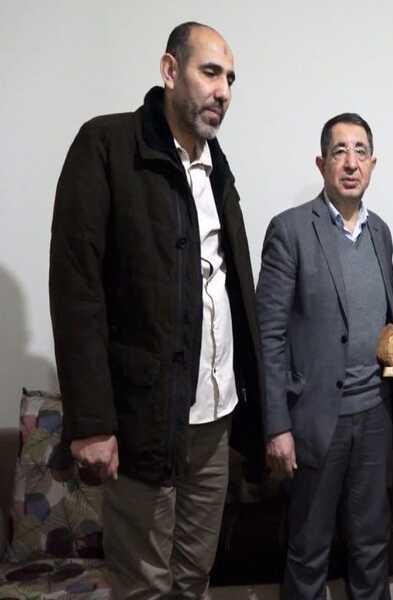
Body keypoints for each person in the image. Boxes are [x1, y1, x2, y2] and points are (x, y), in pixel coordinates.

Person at [48, 22, 264, 598]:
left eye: (230, 79)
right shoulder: (106, 145)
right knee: (143, 583)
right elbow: (76, 290)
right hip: (144, 418)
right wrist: (92, 422)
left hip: (214, 419)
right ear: (170, 71)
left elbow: (232, 291)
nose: (223, 91)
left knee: (193, 577)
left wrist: (257, 407)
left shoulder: (218, 167)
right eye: (210, 72)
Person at [257, 113, 393, 599]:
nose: (350, 162)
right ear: (321, 163)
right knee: (308, 552)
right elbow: (269, 335)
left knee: (371, 548)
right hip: (316, 422)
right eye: (339, 151)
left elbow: (388, 327)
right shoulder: (290, 230)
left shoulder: (381, 233)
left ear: (373, 163)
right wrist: (277, 426)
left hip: (374, 417)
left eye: (360, 151)